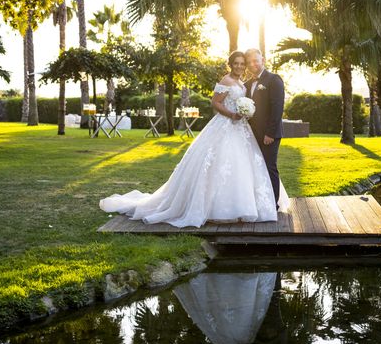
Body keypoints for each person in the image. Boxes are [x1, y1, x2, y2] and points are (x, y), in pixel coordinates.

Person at [99, 50, 288, 228]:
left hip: (245, 130)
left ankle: (255, 205)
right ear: (230, 65)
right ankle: (219, 207)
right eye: (237, 63)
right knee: (221, 164)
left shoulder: (249, 83)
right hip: (226, 127)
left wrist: (250, 118)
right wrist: (232, 114)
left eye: (243, 63)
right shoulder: (228, 80)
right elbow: (215, 102)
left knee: (252, 166)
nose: (241, 66)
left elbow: (273, 107)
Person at [244, 48, 284, 207]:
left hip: (269, 135)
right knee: (255, 168)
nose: (252, 64)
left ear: (263, 60)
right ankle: (258, 202)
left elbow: (277, 108)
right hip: (251, 134)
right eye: (249, 62)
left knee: (269, 167)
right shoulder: (246, 84)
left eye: (255, 60)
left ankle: (272, 204)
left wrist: (270, 133)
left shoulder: (274, 80)